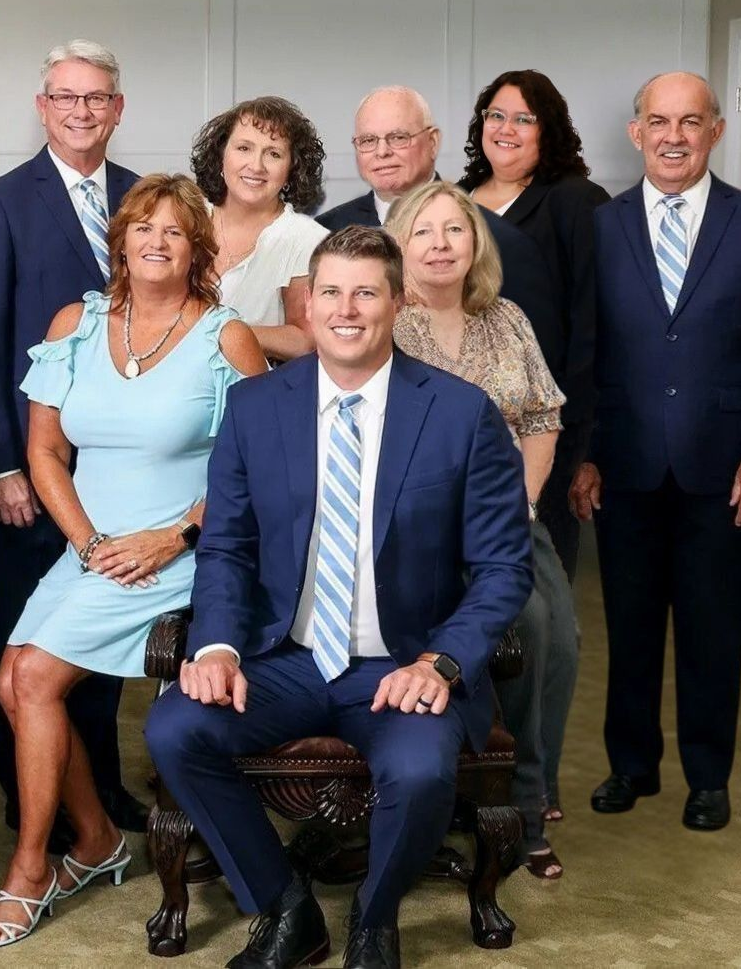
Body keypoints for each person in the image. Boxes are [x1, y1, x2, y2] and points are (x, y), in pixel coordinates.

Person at [146, 225, 532, 969]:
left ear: (398, 302)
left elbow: (503, 567)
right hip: (282, 659)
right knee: (175, 730)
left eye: (365, 293)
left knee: (420, 772)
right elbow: (227, 546)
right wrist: (217, 645)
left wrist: (442, 663)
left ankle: (374, 918)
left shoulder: (460, 413)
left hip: (401, 666)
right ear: (309, 305)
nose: (345, 310)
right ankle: (286, 908)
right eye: (330, 292)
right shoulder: (256, 408)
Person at [0, 173, 265, 947]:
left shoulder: (225, 337)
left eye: (175, 231)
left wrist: (176, 536)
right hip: (92, 549)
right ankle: (99, 838)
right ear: (121, 243)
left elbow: (261, 465)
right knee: (11, 681)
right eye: (143, 228)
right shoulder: (76, 323)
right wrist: (90, 544)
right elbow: (45, 452)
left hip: (179, 553)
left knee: (33, 678)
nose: (157, 242)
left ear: (196, 249)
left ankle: (29, 869)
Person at [572, 72, 741, 832]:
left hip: (724, 466)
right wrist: (584, 453)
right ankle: (631, 765)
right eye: (660, 122)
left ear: (715, 131)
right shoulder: (601, 227)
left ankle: (708, 776)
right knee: (629, 627)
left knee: (713, 629)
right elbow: (585, 351)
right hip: (624, 461)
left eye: (690, 122)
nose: (674, 137)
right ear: (636, 132)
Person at [0, 39, 147, 841]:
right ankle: (26, 796)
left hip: (125, 461)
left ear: (117, 108)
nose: (81, 110)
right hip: (34, 462)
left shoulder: (144, 196)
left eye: (96, 97)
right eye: (66, 96)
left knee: (103, 623)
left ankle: (100, 787)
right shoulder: (0, 201)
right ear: (43, 107)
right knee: (27, 628)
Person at [386, 180, 576, 879]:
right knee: (525, 623)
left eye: (455, 230)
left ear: (476, 242)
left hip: (509, 515)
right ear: (399, 246)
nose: (440, 244)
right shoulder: (388, 322)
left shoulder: (506, 318)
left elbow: (543, 418)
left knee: (562, 640)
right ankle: (519, 806)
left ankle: (532, 782)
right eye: (423, 231)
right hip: (423, 531)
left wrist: (520, 505)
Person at [315, 86, 563, 433]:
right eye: (368, 141)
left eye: (398, 137)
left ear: (432, 142)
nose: (382, 152)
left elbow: (545, 382)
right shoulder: (324, 234)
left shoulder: (505, 241)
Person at [461, 70, 609, 584]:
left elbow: (593, 326)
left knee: (533, 579)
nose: (507, 129)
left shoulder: (577, 200)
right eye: (496, 116)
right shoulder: (455, 199)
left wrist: (585, 447)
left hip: (542, 426)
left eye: (524, 119)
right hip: (460, 420)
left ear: (549, 129)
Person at [190, 96, 327, 360]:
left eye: (274, 154)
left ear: (292, 169)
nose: (256, 166)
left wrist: (222, 335)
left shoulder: (307, 239)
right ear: (221, 155)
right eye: (244, 148)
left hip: (256, 382)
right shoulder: (186, 217)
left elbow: (307, 340)